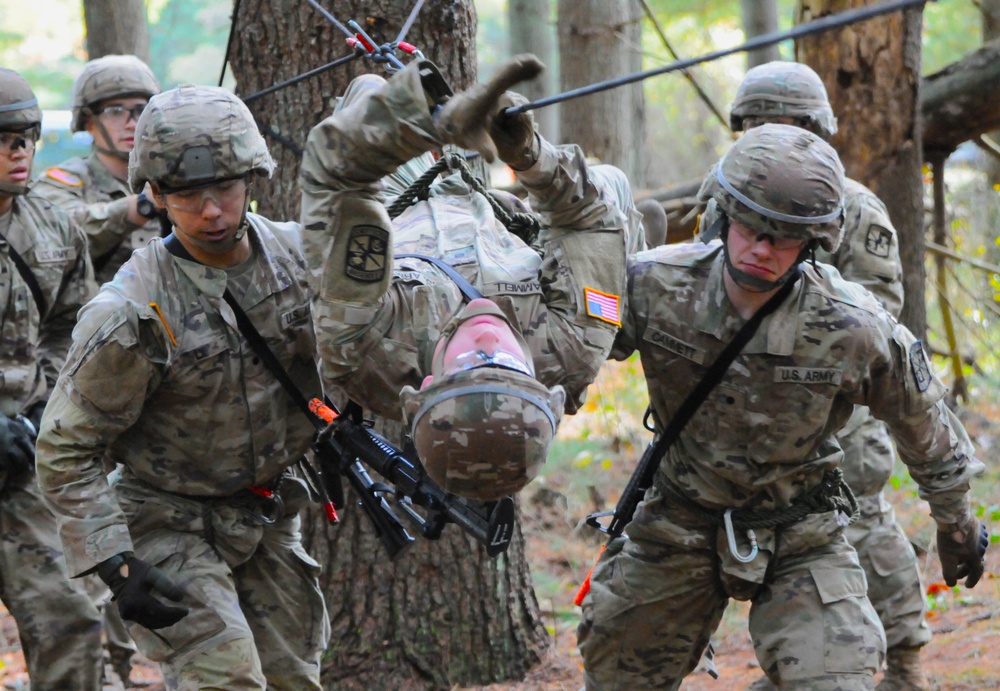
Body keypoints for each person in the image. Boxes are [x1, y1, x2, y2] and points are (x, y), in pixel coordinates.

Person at [576, 123, 988, 690]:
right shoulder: (653, 286)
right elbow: (574, 349)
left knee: (837, 682)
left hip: (802, 532)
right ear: (721, 216)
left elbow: (924, 422)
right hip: (678, 523)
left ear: (815, 242)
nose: (763, 249)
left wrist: (957, 521)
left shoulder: (853, 325)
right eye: (750, 229)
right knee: (617, 678)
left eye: (784, 238)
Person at [35, 84, 330, 689]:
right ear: (156, 195)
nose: (212, 212)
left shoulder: (302, 261)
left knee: (294, 681)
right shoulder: (132, 311)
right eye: (188, 195)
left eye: (224, 187)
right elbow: (66, 447)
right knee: (226, 681)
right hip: (167, 520)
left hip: (268, 512)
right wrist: (115, 564)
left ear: (252, 178)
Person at [299, 55, 629, 497]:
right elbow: (590, 218)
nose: (490, 341)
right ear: (542, 385)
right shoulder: (570, 350)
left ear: (429, 384)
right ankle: (632, 291)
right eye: (511, 364)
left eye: (472, 363)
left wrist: (423, 122)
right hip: (497, 213)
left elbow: (337, 178)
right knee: (611, 187)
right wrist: (530, 156)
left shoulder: (365, 347)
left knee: (368, 87)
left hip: (401, 208)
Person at [697, 60, 925, 691]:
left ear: (816, 129)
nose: (768, 134)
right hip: (738, 413)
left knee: (861, 525)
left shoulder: (853, 206)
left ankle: (905, 660)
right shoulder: (722, 196)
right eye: (755, 123)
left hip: (831, 408)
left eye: (786, 123)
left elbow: (880, 316)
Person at [0, 67, 104, 689]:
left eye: (27, 137)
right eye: (3, 138)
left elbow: (73, 326)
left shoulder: (56, 226)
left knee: (70, 620)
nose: (18, 151)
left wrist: (46, 412)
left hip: (22, 463)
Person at [34, 54, 163, 286]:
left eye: (141, 110)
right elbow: (59, 235)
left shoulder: (169, 177)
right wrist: (142, 205)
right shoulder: (60, 182)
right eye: (115, 111)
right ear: (88, 122)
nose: (132, 123)